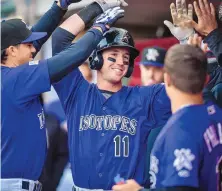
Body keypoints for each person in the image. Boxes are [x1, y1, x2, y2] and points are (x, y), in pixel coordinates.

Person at [1, 0, 126, 189]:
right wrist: (100, 27)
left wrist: (59, 7)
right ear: (11, 50)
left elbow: (36, 39)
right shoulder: (15, 79)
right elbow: (72, 56)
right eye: (27, 45)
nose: (34, 49)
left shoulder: (12, 73)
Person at [52, 15, 172, 190]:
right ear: (97, 58)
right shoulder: (76, 92)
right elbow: (59, 41)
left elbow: (184, 85)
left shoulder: (144, 97)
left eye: (126, 57)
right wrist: (97, 21)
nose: (121, 62)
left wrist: (186, 43)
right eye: (113, 55)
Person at [112, 43, 222, 191]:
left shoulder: (180, 130)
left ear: (167, 80)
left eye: (156, 69)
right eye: (146, 68)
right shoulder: (215, 113)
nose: (150, 74)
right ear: (206, 79)